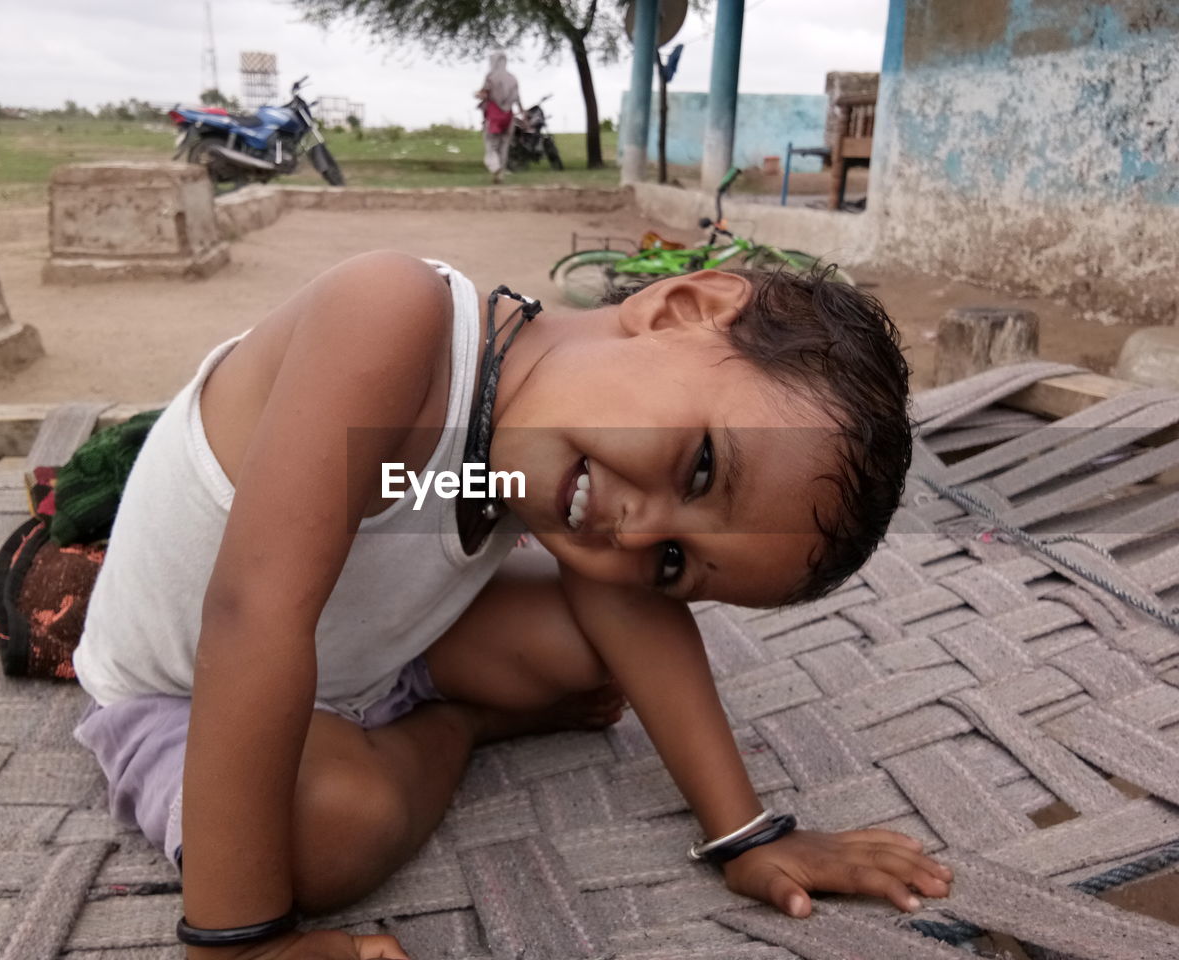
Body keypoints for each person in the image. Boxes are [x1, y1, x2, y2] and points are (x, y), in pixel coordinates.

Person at [70, 252, 951, 960]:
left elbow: (633, 612)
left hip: (365, 648)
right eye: (701, 468)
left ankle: (422, 716)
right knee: (334, 832)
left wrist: (746, 836)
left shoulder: (516, 445)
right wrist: (239, 941)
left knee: (602, 632)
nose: (641, 530)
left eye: (676, 561)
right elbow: (254, 611)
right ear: (681, 310)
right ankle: (460, 730)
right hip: (189, 682)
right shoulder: (393, 320)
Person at [477, 52, 522, 184]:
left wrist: (477, 94)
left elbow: (484, 94)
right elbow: (518, 99)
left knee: (491, 145)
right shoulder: (512, 78)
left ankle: (495, 167)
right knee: (504, 146)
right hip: (508, 117)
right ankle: (500, 174)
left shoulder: (491, 77)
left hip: (494, 117)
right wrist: (523, 115)